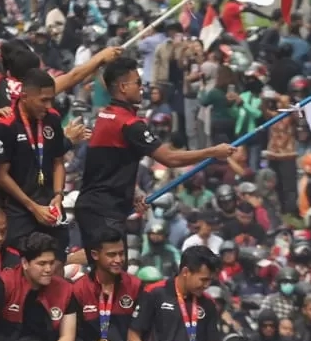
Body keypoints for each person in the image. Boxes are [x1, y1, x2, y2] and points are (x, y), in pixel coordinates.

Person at [75, 55, 238, 251]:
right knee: (110, 270)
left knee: (104, 267)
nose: (142, 88)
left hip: (98, 206)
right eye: (138, 83)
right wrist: (213, 151)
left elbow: (110, 165)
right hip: (104, 210)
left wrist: (130, 194)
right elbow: (169, 158)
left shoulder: (106, 115)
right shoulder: (129, 124)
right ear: (123, 87)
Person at [0, 68, 67, 246]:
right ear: (24, 97)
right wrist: (33, 207)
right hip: (19, 209)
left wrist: (58, 195)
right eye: (43, 100)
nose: (48, 106)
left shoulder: (53, 119)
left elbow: (58, 161)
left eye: (51, 99)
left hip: (50, 206)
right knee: (22, 263)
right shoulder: (6, 124)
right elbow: (1, 176)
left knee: (57, 258)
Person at [127, 245, 224, 341]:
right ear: (185, 272)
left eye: (210, 280)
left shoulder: (208, 302)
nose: (207, 285)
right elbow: (133, 335)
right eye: (203, 279)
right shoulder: (155, 293)